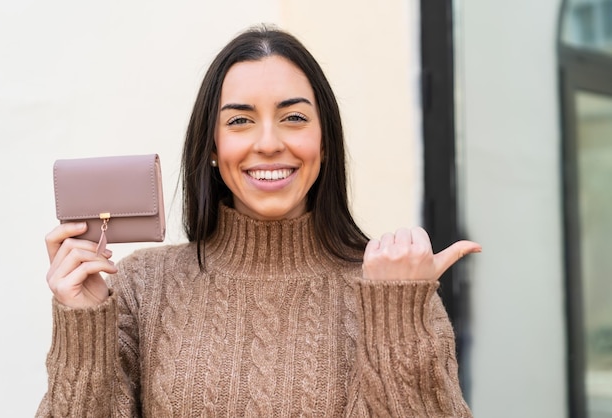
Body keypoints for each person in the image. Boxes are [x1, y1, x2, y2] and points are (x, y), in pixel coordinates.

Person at [37, 25, 481, 417]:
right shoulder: (140, 286)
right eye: (240, 120)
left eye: (293, 118)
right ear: (211, 146)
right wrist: (83, 324)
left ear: (324, 142)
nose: (268, 143)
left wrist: (397, 313)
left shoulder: (390, 287)